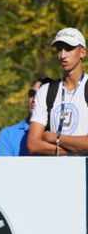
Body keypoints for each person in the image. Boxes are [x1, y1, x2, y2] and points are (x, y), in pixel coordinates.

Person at [28, 27, 88, 156]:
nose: (63, 55)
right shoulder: (46, 91)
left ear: (82, 52)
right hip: (56, 173)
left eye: (69, 48)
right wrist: (76, 147)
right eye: (59, 49)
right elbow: (33, 144)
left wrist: (54, 137)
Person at [0, 77, 53, 156]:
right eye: (32, 93)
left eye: (41, 95)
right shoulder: (8, 135)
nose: (34, 99)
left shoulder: (65, 133)